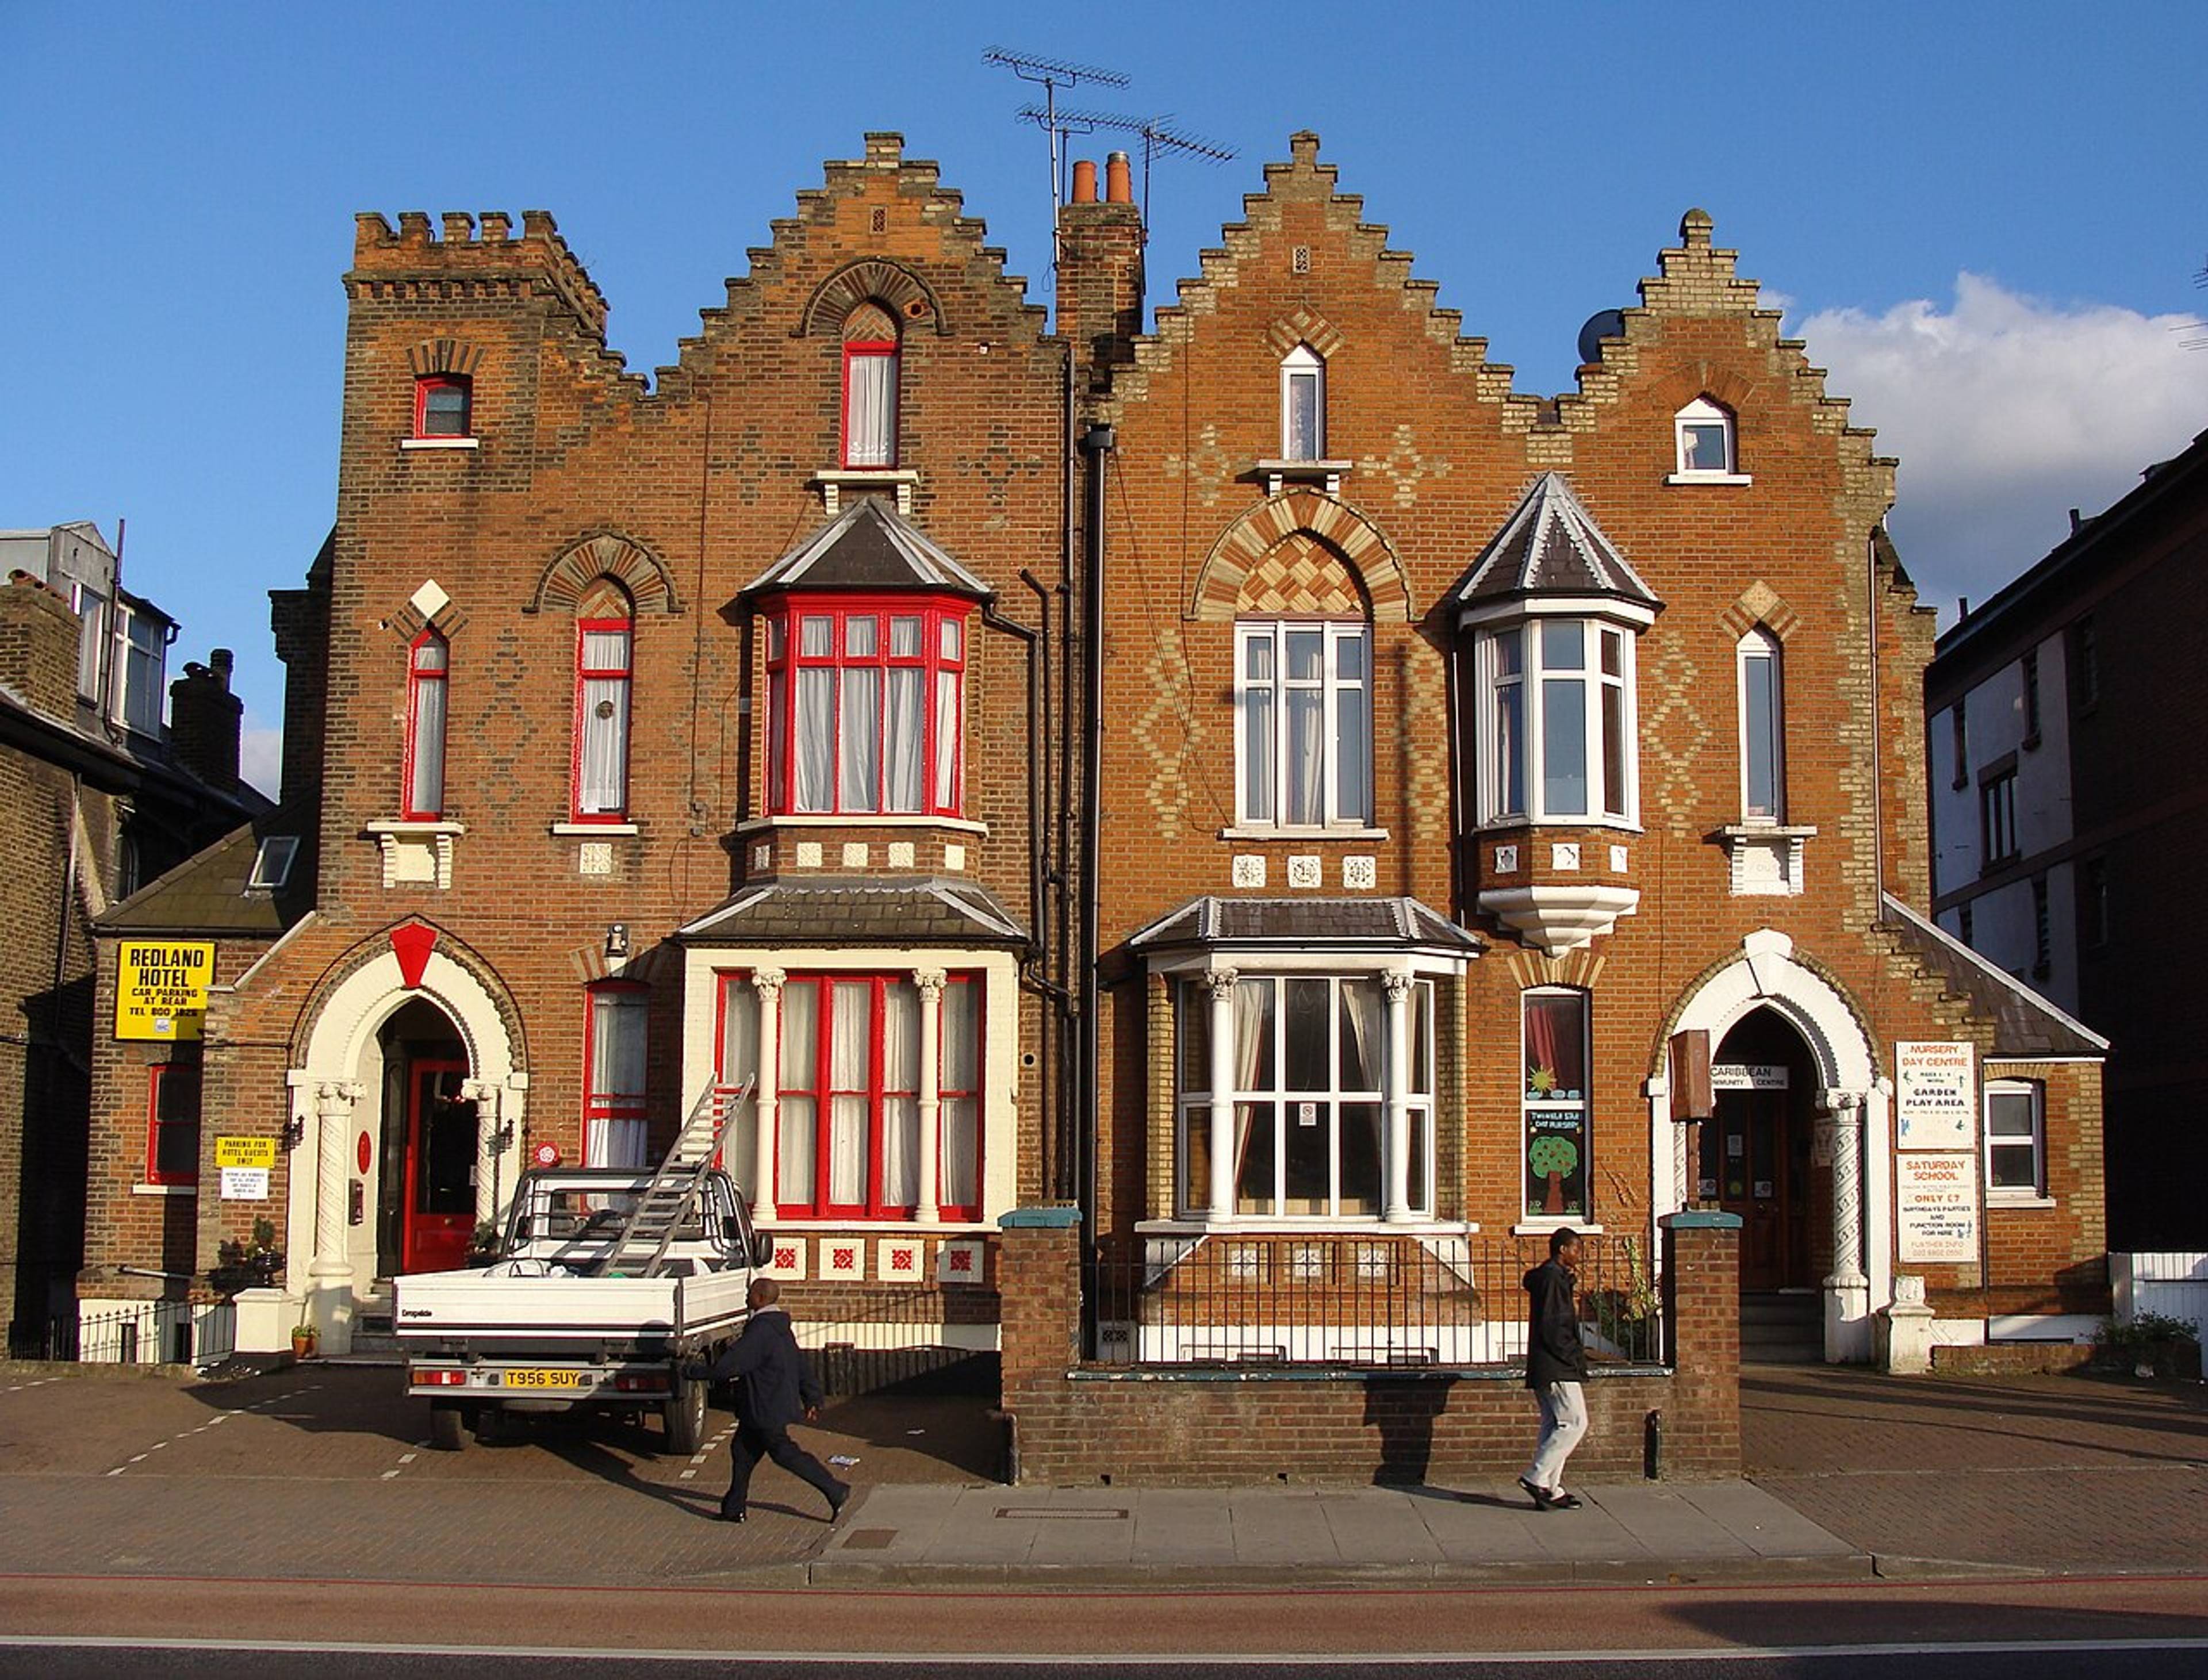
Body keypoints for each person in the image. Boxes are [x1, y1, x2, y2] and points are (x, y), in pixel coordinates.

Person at [696, 1277, 850, 1524]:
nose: (746, 1298)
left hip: (764, 1407)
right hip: (763, 1406)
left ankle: (835, 1490)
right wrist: (812, 1397)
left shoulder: (761, 1331)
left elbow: (731, 1365)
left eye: (750, 1294)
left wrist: (694, 1372)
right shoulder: (780, 1328)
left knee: (784, 1453)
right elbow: (800, 1363)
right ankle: (734, 1508)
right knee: (743, 1452)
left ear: (759, 1298)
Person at [1518, 1226, 1588, 1512]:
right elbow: (1554, 1324)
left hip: (1546, 1363)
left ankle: (1552, 1488)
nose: (1578, 1255)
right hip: (1557, 1364)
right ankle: (1536, 1477)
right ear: (1562, 1249)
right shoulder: (1551, 1278)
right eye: (1575, 1249)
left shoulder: (1553, 1277)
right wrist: (1572, 1356)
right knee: (1575, 1423)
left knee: (1553, 1425)